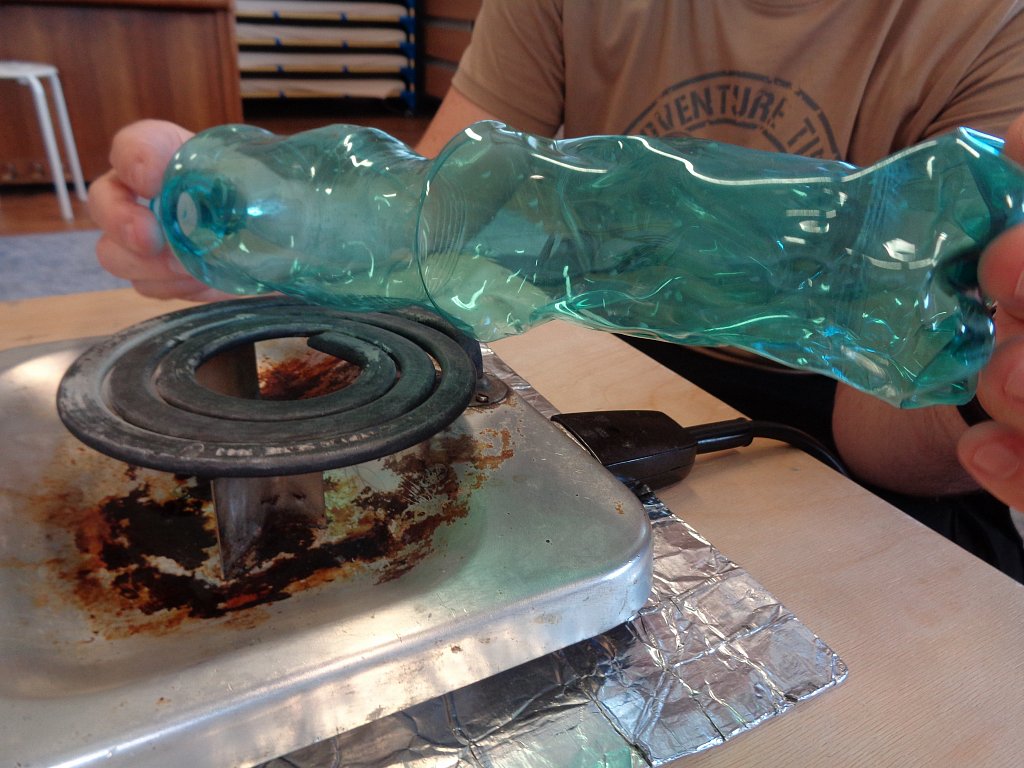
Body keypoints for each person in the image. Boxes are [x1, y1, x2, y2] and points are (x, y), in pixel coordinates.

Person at [89, 0, 1024, 578]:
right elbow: (437, 228)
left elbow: (885, 429)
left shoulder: (990, 27)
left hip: (835, 430)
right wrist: (302, 249)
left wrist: (991, 383)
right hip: (603, 350)